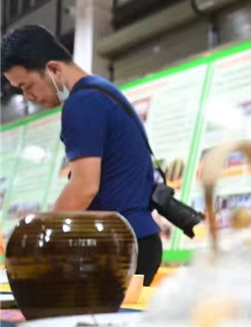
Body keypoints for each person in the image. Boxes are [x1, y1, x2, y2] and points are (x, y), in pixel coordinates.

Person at [2, 25, 161, 285]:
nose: (28, 97)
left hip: (121, 247)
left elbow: (84, 186)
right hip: (135, 240)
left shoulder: (82, 103)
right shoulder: (103, 92)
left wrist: (37, 239)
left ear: (53, 69)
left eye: (27, 85)